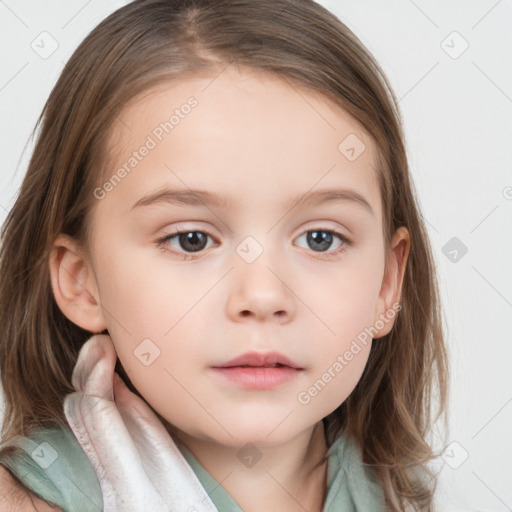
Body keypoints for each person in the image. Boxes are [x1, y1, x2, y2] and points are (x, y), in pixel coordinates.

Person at [0, 0, 450, 510]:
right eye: (191, 239)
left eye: (320, 238)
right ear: (83, 281)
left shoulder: (399, 497)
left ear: (387, 285)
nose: (262, 297)